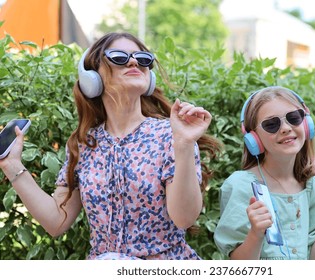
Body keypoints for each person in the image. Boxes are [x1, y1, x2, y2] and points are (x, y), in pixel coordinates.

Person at [0, 32, 221, 260]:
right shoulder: (83, 143)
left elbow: (184, 219)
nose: (134, 62)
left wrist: (184, 145)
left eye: (143, 58)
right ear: (92, 77)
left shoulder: (172, 135)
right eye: (119, 57)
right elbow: (57, 221)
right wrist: (11, 164)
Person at [213, 86, 315, 260]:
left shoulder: (309, 185)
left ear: (306, 125)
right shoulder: (241, 185)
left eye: (293, 118)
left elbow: (311, 255)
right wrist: (256, 233)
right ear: (254, 139)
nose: (285, 128)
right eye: (271, 124)